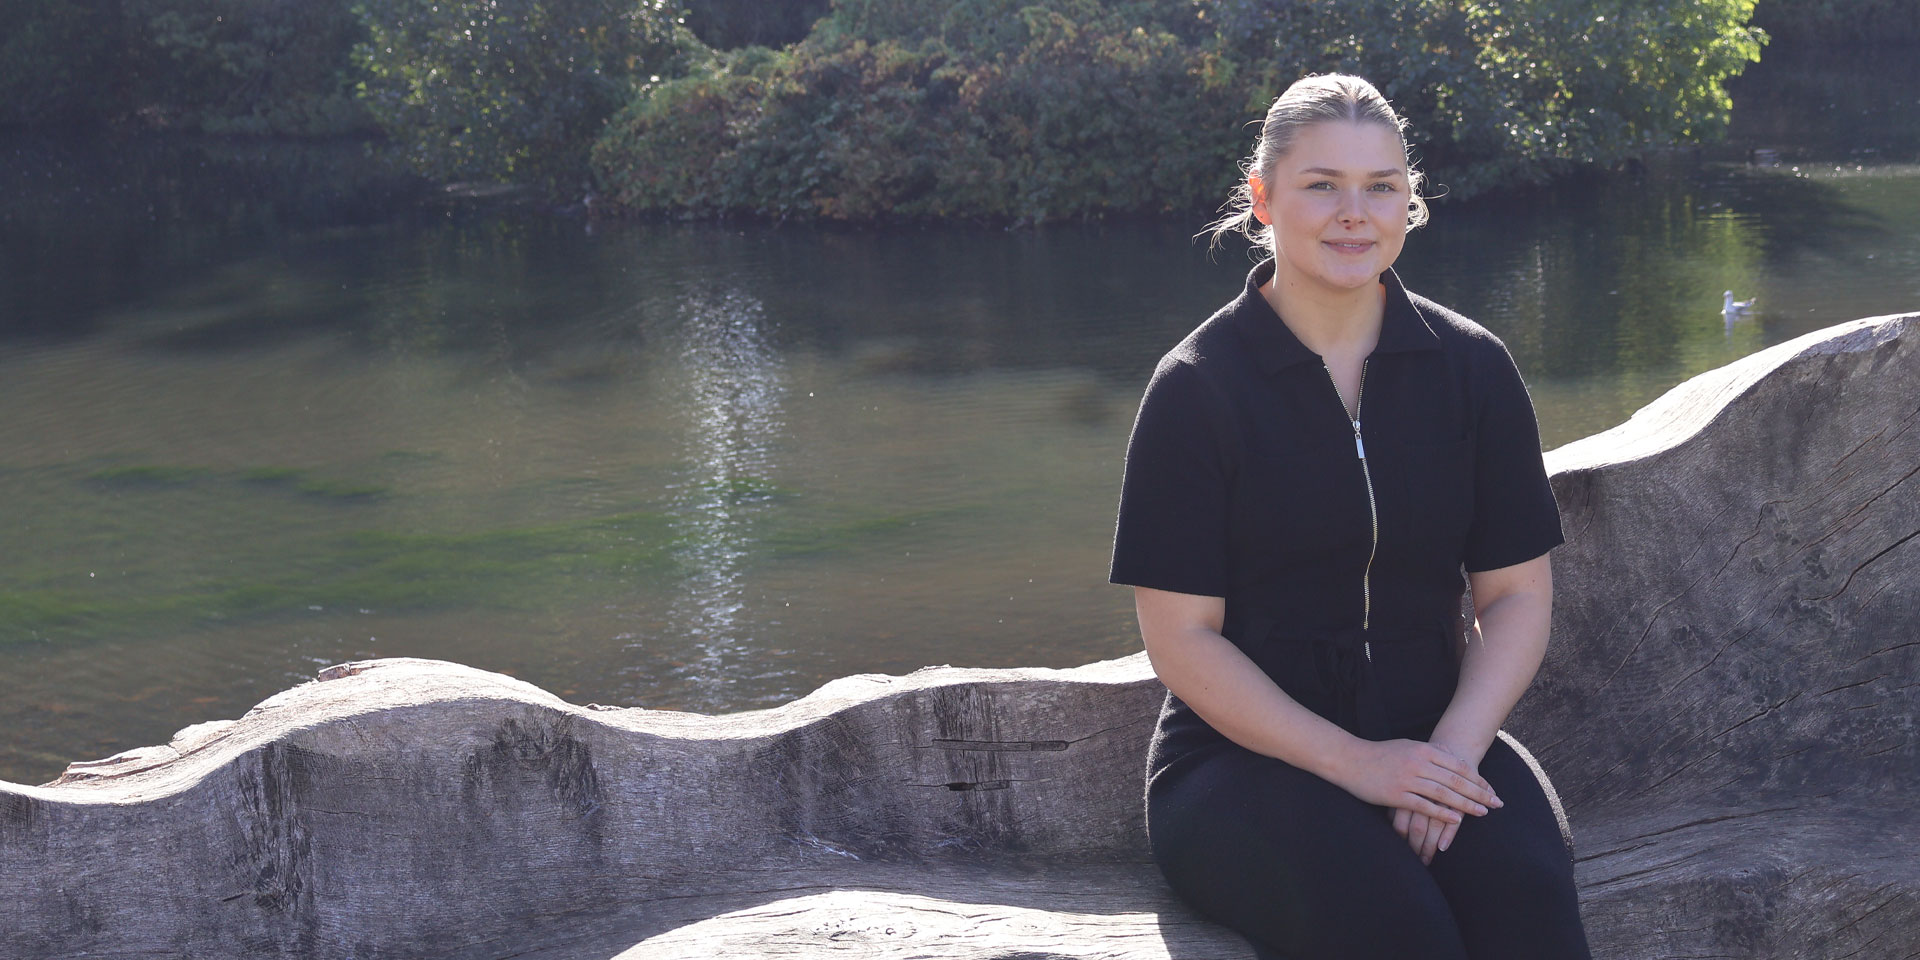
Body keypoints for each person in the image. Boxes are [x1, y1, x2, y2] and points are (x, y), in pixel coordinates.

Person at [1108, 74, 1593, 959]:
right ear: (1262, 200)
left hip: (1438, 736)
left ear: (1411, 201)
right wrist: (1361, 765)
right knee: (1394, 928)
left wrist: (1443, 759)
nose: (1354, 214)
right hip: (1243, 768)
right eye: (1321, 184)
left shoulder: (1472, 367)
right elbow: (1180, 637)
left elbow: (1517, 596)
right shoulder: (1198, 388)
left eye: (1382, 187)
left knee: (1528, 904)